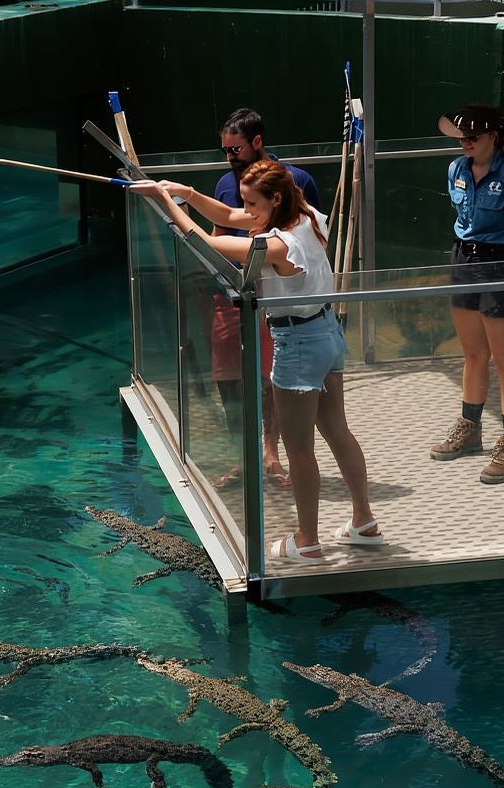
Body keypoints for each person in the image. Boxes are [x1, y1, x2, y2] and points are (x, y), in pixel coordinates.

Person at [131, 159, 383, 565]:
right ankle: (364, 522)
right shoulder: (307, 216)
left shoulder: (279, 246)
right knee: (338, 430)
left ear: (275, 198)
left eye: (253, 204)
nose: (245, 213)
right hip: (328, 333)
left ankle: (307, 541)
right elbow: (229, 216)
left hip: (298, 344)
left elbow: (204, 242)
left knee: (298, 449)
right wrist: (189, 194)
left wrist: (165, 199)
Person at [431, 103, 504, 484]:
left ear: (493, 138)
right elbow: (461, 217)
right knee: (473, 352)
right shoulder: (456, 169)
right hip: (464, 259)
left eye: (472, 137)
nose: (465, 142)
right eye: (462, 136)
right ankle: (470, 425)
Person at [210, 108, 320, 488]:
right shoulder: (227, 183)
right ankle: (242, 456)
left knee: (269, 377)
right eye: (225, 150)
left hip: (272, 297)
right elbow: (219, 229)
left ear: (258, 142)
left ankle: (271, 454)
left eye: (235, 149)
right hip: (231, 292)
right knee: (227, 374)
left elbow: (314, 237)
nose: (230, 157)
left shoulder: (295, 181)